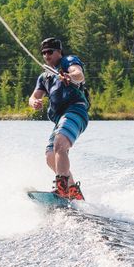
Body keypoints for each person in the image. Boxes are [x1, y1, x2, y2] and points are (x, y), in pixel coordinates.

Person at [28, 38, 90, 200]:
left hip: (76, 111)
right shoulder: (44, 77)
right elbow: (34, 95)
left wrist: (69, 76)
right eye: (43, 53)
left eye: (50, 52)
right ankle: (72, 189)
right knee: (50, 156)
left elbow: (79, 75)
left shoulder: (68, 62)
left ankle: (61, 188)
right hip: (60, 120)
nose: (46, 55)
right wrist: (34, 101)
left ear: (59, 52)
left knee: (60, 144)